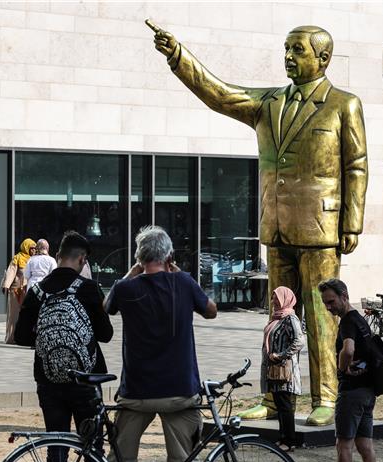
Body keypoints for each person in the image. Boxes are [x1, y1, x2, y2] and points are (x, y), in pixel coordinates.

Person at [148, 22, 369, 426]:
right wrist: (178, 57)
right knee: (276, 316)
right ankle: (272, 397)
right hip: (278, 224)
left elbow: (356, 166)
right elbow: (220, 94)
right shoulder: (269, 102)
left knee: (321, 316)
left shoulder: (343, 104)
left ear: (322, 58)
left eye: (297, 50)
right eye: (286, 48)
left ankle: (326, 397)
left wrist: (351, 221)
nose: (288, 56)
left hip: (321, 228)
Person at [106, 226, 217, 462]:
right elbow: (211, 311)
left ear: (140, 258)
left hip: (137, 392)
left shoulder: (126, 288)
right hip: (179, 391)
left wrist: (135, 270)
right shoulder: (182, 282)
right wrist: (177, 270)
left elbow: (107, 307)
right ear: (169, 256)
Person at [14, 231, 113, 462]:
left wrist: (49, 340)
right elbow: (106, 334)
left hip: (48, 380)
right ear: (82, 259)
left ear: (58, 255)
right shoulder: (87, 288)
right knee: (93, 448)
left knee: (56, 445)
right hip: (85, 380)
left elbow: (20, 336)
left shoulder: (38, 291)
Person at [319, 278, 376, 462]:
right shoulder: (362, 320)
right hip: (368, 390)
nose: (328, 307)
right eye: (325, 303)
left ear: (344, 296)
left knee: (344, 445)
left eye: (331, 301)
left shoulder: (347, 323)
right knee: (366, 447)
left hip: (351, 392)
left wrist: (342, 369)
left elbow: (348, 349)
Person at [260, 286, 304, 452]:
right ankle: (282, 437)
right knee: (280, 404)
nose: (273, 301)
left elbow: (299, 341)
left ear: (285, 299)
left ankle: (290, 440)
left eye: (276, 298)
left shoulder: (290, 318)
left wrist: (282, 355)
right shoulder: (276, 318)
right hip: (274, 370)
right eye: (272, 298)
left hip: (285, 371)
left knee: (285, 406)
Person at [1, 238, 36, 344]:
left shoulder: (34, 260)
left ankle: (23, 337)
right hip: (15, 291)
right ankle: (11, 338)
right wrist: (6, 285)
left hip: (27, 291)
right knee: (13, 315)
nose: (34, 251)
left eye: (35, 249)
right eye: (32, 248)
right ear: (26, 248)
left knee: (25, 315)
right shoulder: (17, 258)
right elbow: (11, 272)